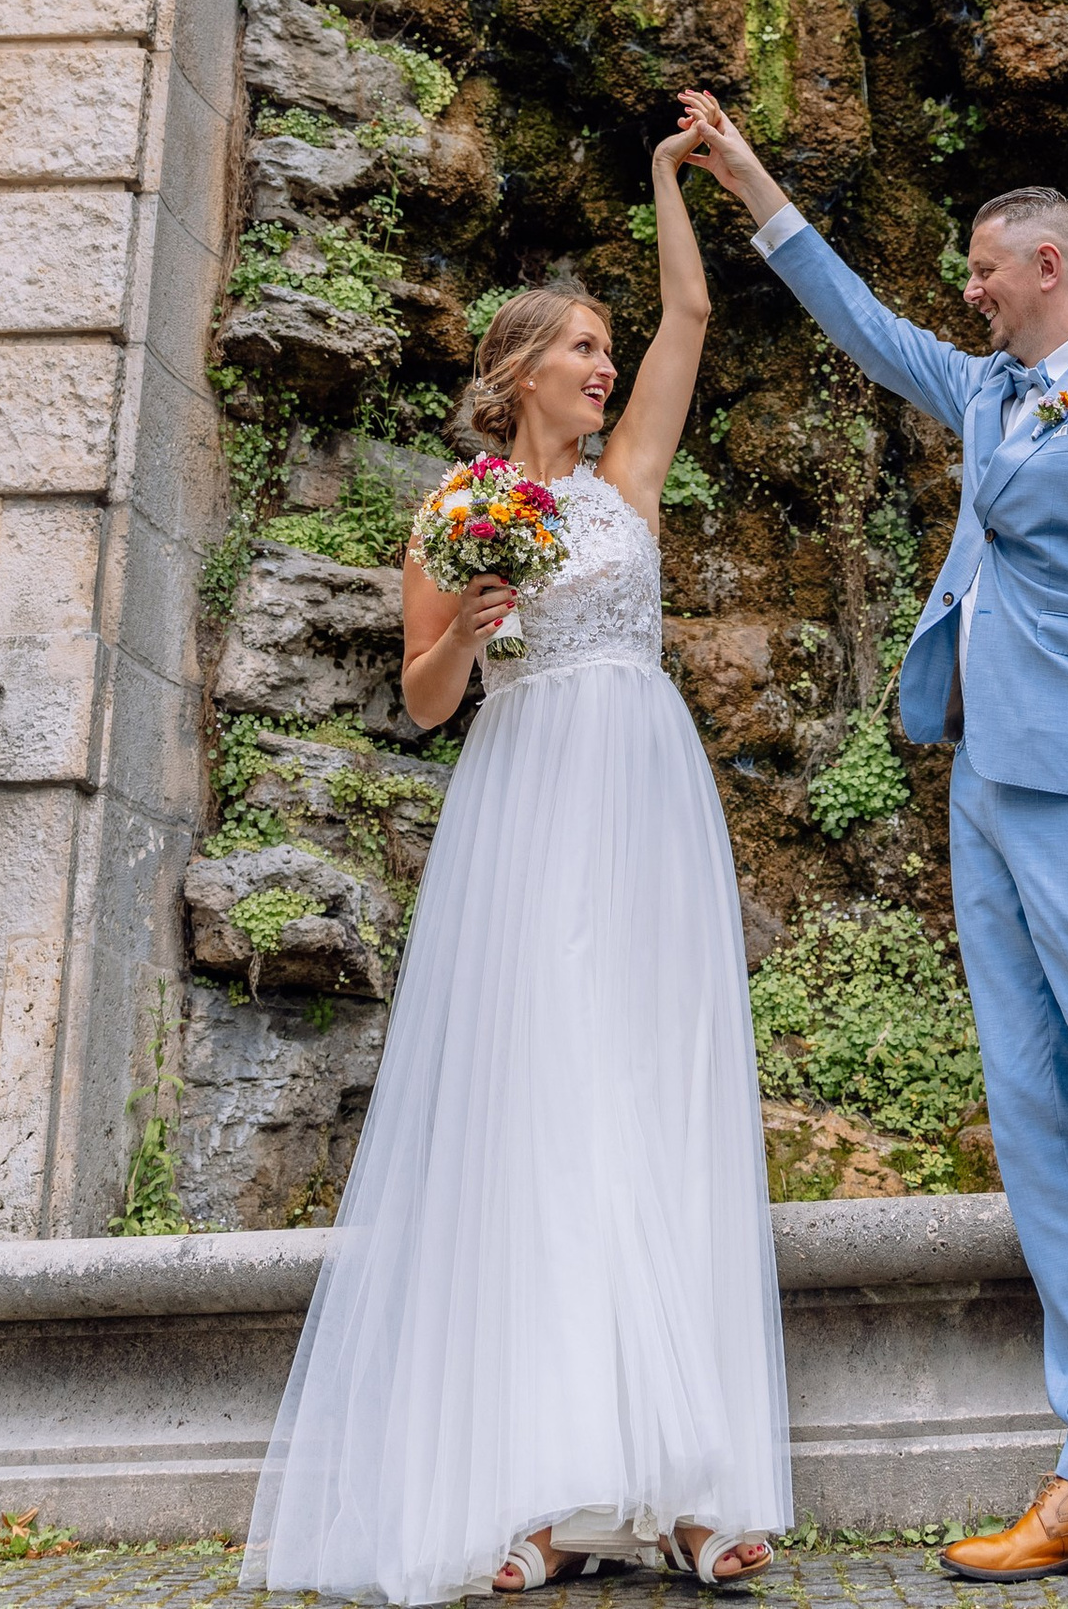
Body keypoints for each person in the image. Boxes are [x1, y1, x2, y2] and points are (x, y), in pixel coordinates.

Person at [678, 91, 1068, 1603]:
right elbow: (866, 326)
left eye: (986, 271)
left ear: (1049, 265)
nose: (970, 290)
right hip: (985, 797)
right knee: (1037, 1122)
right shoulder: (992, 398)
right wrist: (748, 179)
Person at [241, 121, 790, 1606]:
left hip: (646, 799)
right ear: (524, 365)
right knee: (551, 1110)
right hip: (529, 792)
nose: (609, 366)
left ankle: (683, 1489)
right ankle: (548, 1495)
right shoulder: (455, 508)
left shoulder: (627, 480)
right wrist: (471, 630)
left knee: (651, 1101)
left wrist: (676, 179)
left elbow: (692, 314)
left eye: (609, 349)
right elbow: (420, 699)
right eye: (586, 349)